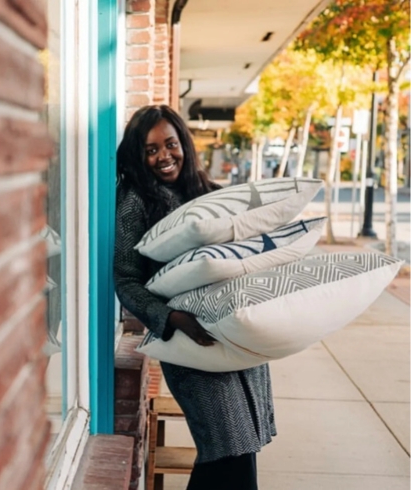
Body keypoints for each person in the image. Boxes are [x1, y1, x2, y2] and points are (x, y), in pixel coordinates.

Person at [114, 105, 276, 490]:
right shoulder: (136, 202)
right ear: (138, 155)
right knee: (226, 450)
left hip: (235, 335)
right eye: (151, 149)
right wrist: (171, 319)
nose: (163, 156)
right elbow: (125, 279)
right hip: (191, 343)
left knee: (239, 452)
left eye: (170, 144)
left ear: (184, 143)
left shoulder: (208, 194)